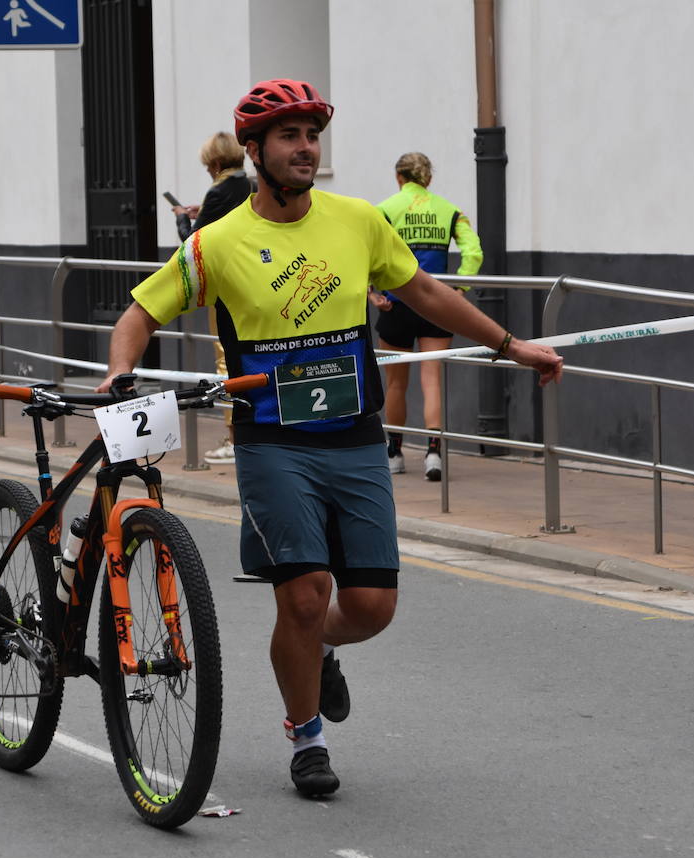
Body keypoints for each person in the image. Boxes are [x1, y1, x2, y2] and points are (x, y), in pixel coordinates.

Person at [97, 79, 563, 799]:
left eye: (313, 135)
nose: (306, 148)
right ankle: (305, 734)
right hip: (272, 442)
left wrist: (511, 345)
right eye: (290, 136)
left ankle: (315, 654)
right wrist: (120, 371)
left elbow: (428, 295)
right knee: (306, 594)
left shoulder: (359, 221)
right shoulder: (216, 244)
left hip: (353, 436)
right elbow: (138, 313)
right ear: (254, 151)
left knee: (372, 607)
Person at [373, 152, 483, 480]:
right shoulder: (450, 211)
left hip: (396, 303)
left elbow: (365, 251)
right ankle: (434, 452)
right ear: (429, 180)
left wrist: (372, 293)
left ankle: (394, 452)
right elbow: (473, 253)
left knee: (395, 383)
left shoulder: (384, 210)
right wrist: (458, 291)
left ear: (399, 178)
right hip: (436, 303)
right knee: (431, 378)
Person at [168, 131, 255, 465]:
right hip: (256, 282)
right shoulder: (252, 186)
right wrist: (202, 209)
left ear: (216, 163)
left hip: (226, 288)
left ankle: (234, 439)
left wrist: (180, 216)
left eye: (208, 166)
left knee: (226, 360)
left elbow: (193, 242)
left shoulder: (219, 190)